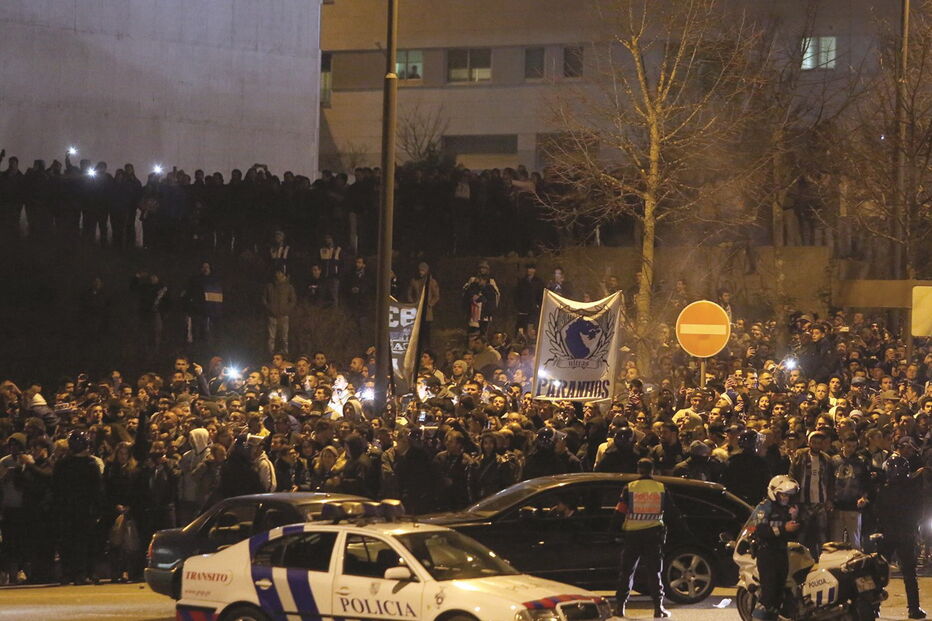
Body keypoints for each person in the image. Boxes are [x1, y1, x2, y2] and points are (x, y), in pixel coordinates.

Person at [609, 458, 674, 618]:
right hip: (653, 535)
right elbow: (671, 512)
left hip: (632, 535)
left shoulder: (630, 488)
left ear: (638, 470)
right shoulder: (661, 488)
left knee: (626, 572)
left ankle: (620, 607)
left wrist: (612, 531)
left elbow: (620, 511)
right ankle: (658, 609)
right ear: (652, 471)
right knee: (654, 572)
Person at [875, 440, 926, 619]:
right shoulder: (909, 489)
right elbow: (916, 512)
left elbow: (878, 511)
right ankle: (913, 608)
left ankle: (873, 606)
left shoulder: (884, 489)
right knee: (908, 572)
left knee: (880, 571)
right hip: (903, 532)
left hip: (890, 532)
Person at [743, 475, 802, 621]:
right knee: (768, 594)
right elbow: (757, 530)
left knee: (778, 593)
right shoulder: (765, 507)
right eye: (783, 494)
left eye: (788, 495)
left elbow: (793, 534)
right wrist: (783, 529)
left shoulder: (787, 510)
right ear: (774, 492)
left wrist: (794, 519)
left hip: (781, 553)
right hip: (767, 553)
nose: (786, 498)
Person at [262, 270, 297, 355]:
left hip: (284, 316)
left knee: (284, 337)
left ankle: (285, 354)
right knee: (271, 337)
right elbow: (264, 299)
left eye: (280, 273)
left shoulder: (289, 287)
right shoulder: (269, 286)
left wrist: (286, 310)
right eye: (277, 272)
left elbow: (293, 300)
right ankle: (270, 355)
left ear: (283, 274)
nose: (278, 274)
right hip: (272, 316)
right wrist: (270, 309)